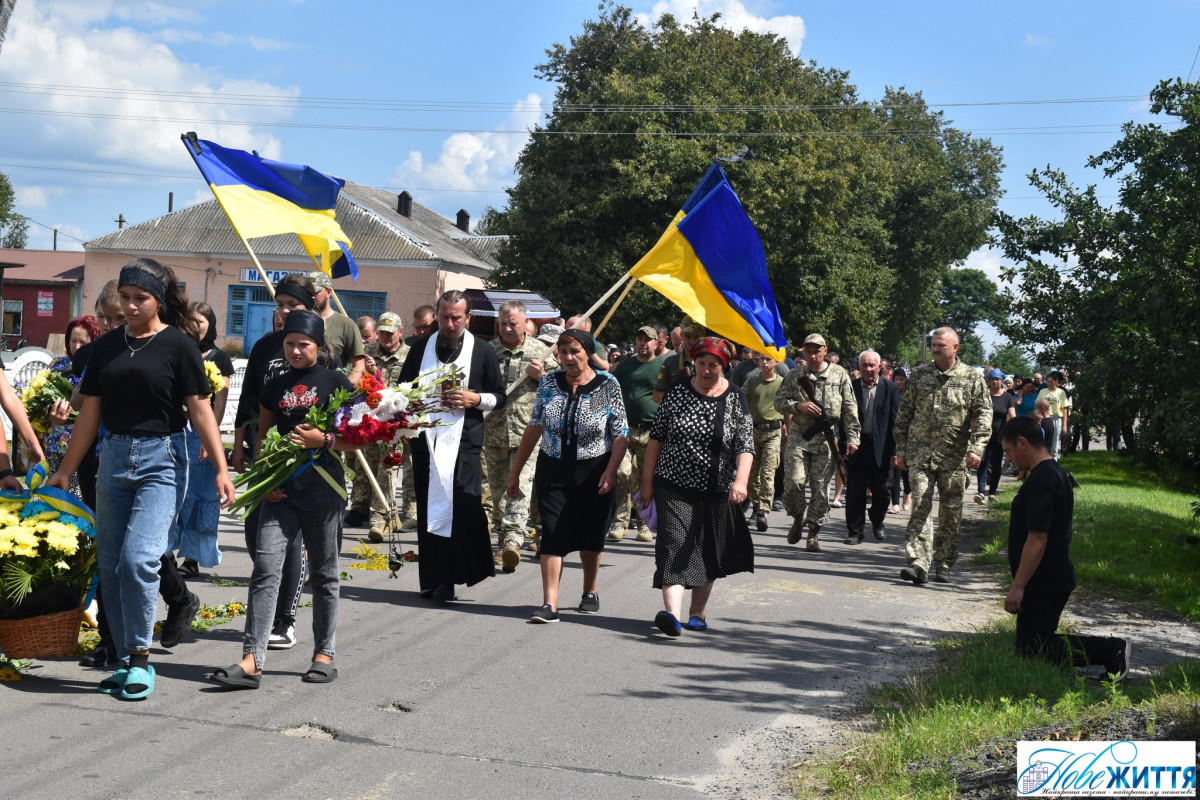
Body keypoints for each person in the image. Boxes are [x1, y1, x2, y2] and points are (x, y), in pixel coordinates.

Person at [48, 258, 234, 700]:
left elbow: (200, 409)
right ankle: (124, 656)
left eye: (140, 299)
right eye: (125, 298)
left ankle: (139, 659)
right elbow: (89, 413)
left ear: (159, 300)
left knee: (139, 559)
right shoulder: (106, 348)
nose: (130, 307)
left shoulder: (179, 346)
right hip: (112, 456)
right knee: (111, 565)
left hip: (162, 459)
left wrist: (223, 467)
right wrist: (64, 471)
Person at [210, 310, 359, 690]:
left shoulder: (336, 382)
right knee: (265, 569)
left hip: (323, 488)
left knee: (324, 573)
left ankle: (324, 654)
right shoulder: (273, 384)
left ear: (319, 345)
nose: (295, 350)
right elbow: (264, 435)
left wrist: (322, 440)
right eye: (290, 343)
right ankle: (252, 659)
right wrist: (265, 478)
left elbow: (356, 439)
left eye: (303, 344)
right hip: (280, 492)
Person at [506, 328, 627, 622]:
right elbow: (535, 427)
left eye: (575, 351)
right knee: (552, 533)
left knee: (590, 535)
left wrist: (611, 471)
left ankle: (590, 589)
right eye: (563, 352)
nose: (569, 357)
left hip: (594, 470)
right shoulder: (549, 383)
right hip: (554, 467)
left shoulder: (605, 385)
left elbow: (618, 432)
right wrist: (516, 471)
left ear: (588, 353)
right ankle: (550, 604)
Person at [1001, 416, 1130, 681]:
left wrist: (1018, 585)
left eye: (1008, 451)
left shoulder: (1044, 478)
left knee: (1035, 650)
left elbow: (1038, 538)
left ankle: (1112, 650)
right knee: (1030, 648)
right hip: (1047, 576)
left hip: (1045, 577)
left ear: (1022, 443)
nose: (1009, 459)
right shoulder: (1050, 472)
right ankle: (1109, 651)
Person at [641, 337, 754, 636]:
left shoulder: (736, 397)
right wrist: (647, 482)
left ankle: (698, 612)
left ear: (725, 366)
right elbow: (657, 439)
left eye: (713, 365)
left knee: (708, 551)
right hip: (673, 485)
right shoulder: (678, 392)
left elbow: (745, 444)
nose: (705, 370)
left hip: (716, 488)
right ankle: (672, 615)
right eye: (701, 364)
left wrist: (741, 481)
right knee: (674, 544)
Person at [399, 290, 505, 602]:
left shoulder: (482, 351)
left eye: (456, 317)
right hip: (426, 442)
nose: (448, 323)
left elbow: (500, 397)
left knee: (462, 505)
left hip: (464, 442)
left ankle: (466, 569)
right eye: (444, 317)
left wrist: (476, 399)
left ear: (468, 318)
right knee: (430, 509)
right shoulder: (421, 348)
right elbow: (403, 390)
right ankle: (436, 580)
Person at [232, 273, 320, 650]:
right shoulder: (265, 346)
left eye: (292, 305)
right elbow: (250, 396)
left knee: (291, 539)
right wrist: (239, 444)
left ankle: (285, 618)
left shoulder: (317, 350)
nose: (282, 312)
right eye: (279, 304)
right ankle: (274, 608)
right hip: (265, 452)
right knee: (258, 535)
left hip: (302, 458)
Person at [893, 327, 990, 586]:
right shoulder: (920, 376)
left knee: (950, 513)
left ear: (955, 348)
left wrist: (977, 447)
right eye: (933, 345)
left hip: (954, 457)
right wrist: (901, 450)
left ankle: (944, 562)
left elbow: (982, 413)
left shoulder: (971, 378)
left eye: (941, 345)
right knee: (920, 508)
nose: (936, 349)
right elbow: (904, 415)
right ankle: (918, 564)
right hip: (920, 455)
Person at [483, 300, 556, 570]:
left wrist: (543, 376)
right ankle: (504, 542)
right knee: (500, 490)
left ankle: (514, 539)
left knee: (521, 486)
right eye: (503, 323)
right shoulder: (488, 352)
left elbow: (563, 388)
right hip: (494, 433)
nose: (508, 328)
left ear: (525, 322)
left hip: (528, 432)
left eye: (513, 323)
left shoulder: (542, 352)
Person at [774, 334, 860, 552]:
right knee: (793, 481)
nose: (812, 356)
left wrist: (853, 438)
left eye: (817, 351)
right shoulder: (795, 375)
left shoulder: (839, 374)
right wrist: (798, 406)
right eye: (808, 351)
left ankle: (813, 531)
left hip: (826, 439)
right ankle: (797, 516)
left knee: (821, 488)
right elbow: (778, 402)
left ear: (825, 351)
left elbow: (850, 408)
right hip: (800, 437)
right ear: (803, 351)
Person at [173, 302, 235, 579]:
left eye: (201, 321)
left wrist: (209, 439)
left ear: (211, 324)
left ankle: (191, 558)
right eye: (191, 320)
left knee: (199, 495)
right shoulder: (176, 349)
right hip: (175, 428)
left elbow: (218, 403)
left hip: (201, 432)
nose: (196, 326)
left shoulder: (219, 359)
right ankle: (164, 554)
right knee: (175, 494)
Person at [341, 311, 412, 541]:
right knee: (367, 468)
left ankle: (380, 517)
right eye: (381, 332)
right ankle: (368, 508)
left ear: (401, 332)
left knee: (388, 470)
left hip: (396, 424)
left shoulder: (410, 356)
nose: (385, 336)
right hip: (370, 422)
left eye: (390, 333)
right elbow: (356, 384)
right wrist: (367, 372)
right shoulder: (367, 354)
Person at [609, 325, 664, 543]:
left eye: (648, 340)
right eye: (639, 339)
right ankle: (620, 521)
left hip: (652, 431)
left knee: (646, 478)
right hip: (625, 429)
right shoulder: (624, 366)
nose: (643, 343)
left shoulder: (662, 366)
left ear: (656, 343)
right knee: (623, 474)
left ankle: (644, 524)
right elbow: (612, 392)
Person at [844, 350, 900, 545]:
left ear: (879, 367)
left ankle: (877, 520)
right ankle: (855, 532)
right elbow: (843, 419)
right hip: (856, 447)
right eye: (864, 365)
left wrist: (895, 452)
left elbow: (895, 422)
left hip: (882, 448)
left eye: (872, 365)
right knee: (855, 492)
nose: (868, 369)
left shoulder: (891, 388)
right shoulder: (850, 387)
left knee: (883, 491)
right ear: (859, 367)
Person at [42, 315, 100, 497]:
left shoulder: (94, 365)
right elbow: (42, 399)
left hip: (83, 443)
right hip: (55, 442)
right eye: (73, 341)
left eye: (83, 342)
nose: (76, 347)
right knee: (58, 496)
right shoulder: (56, 365)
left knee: (81, 499)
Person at [743, 352, 786, 532]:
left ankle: (763, 512)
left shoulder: (782, 382)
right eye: (761, 359)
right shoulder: (752, 381)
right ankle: (756, 507)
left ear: (775, 361)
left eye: (768, 359)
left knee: (768, 473)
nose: (764, 362)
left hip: (773, 432)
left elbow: (788, 407)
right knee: (752, 475)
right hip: (753, 431)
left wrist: (788, 429)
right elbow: (740, 401)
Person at [306, 270, 365, 383]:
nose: (311, 297)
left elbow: (359, 365)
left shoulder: (346, 325)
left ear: (329, 292)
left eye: (316, 292)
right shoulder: (300, 322)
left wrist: (345, 389)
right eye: (308, 292)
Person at [975, 368, 1016, 505]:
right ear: (988, 381)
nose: (995, 382)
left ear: (1002, 381)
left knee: (997, 464)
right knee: (983, 462)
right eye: (992, 379)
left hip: (999, 435)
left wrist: (1013, 431)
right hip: (984, 435)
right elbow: (975, 412)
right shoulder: (984, 395)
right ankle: (981, 491)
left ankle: (992, 492)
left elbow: (1012, 415)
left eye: (998, 379)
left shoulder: (1007, 397)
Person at [652, 317, 705, 403]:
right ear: (682, 336)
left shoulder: (711, 362)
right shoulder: (670, 362)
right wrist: (678, 400)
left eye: (696, 336)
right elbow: (656, 396)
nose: (692, 341)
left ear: (703, 335)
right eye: (688, 336)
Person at [889, 367, 911, 514]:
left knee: (906, 469)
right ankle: (895, 503)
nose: (899, 381)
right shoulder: (890, 393)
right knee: (895, 468)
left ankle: (907, 493)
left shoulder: (910, 395)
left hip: (909, 437)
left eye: (901, 379)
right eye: (896, 378)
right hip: (893, 435)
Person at [1036, 371, 1069, 458]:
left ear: (1056, 382)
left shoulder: (1061, 392)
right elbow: (1037, 404)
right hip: (1044, 418)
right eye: (1048, 382)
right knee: (1042, 440)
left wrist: (1064, 426)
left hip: (1056, 418)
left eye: (1052, 382)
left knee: (1055, 442)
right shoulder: (1043, 391)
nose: (1050, 384)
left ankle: (1054, 459)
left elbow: (1065, 409)